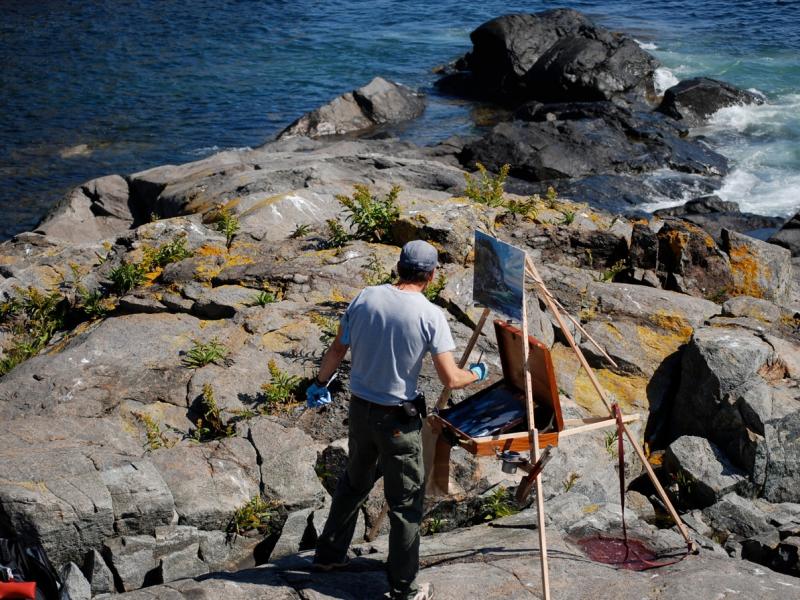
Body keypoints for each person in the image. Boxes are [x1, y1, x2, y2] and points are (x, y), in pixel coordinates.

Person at [306, 240, 488, 600]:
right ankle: (404, 588)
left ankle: (328, 556)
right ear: (432, 275)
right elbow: (451, 379)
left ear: (398, 266)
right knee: (406, 505)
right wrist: (478, 373)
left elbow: (337, 349)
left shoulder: (365, 297)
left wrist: (318, 383)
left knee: (354, 482)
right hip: (397, 420)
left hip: (359, 410)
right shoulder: (429, 314)